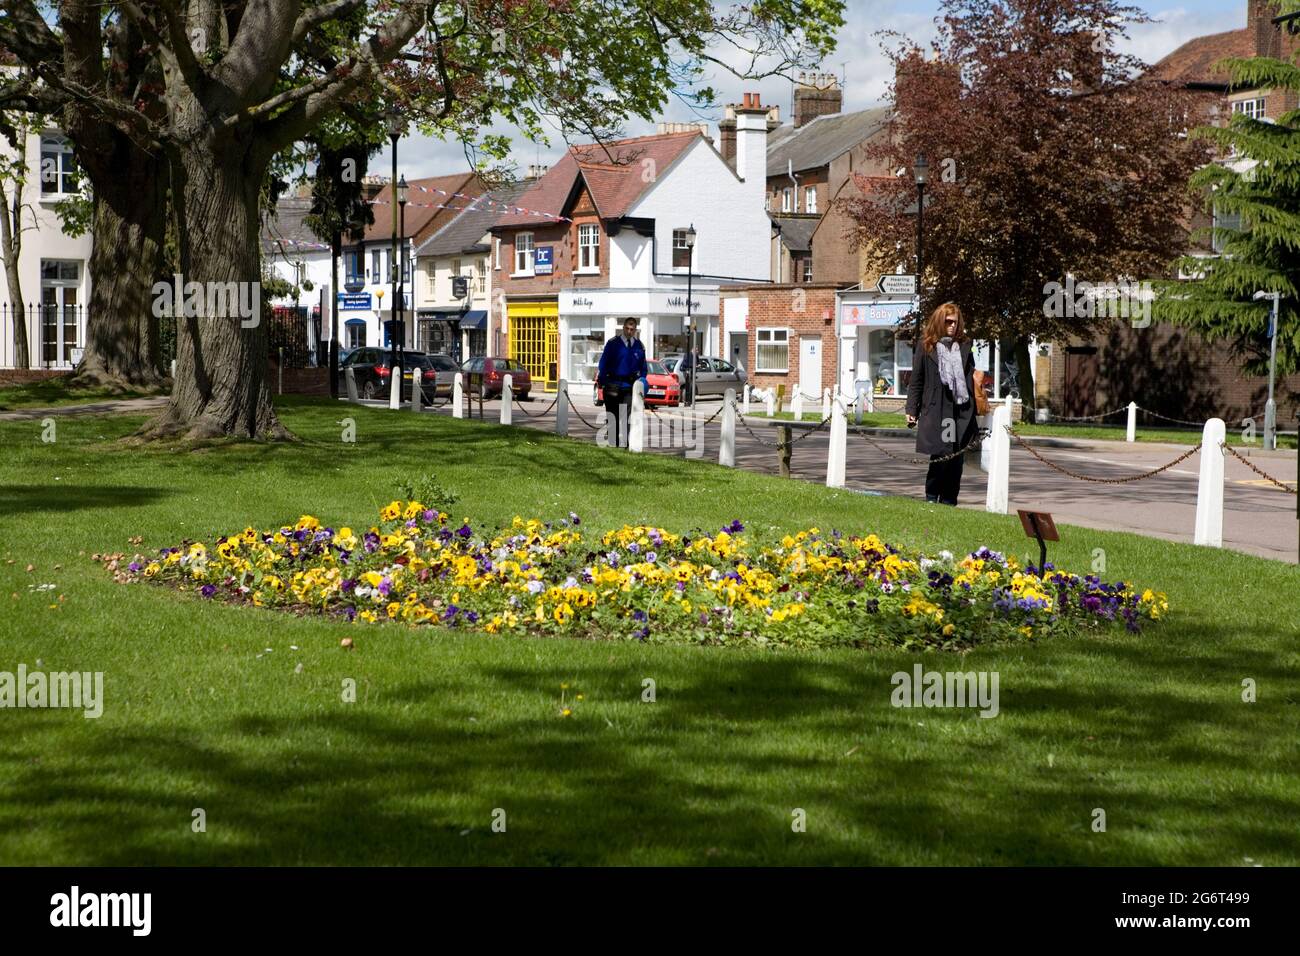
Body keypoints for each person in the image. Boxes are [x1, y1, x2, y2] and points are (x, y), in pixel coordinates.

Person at [905, 302, 981, 505]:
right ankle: (932, 496)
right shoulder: (926, 345)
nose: (952, 326)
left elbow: (969, 376)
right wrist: (911, 409)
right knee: (941, 456)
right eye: (948, 322)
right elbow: (916, 380)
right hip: (937, 408)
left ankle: (949, 500)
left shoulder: (964, 345)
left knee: (956, 458)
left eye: (955, 322)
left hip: (960, 410)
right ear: (940, 321)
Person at [596, 317, 648, 448]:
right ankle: (613, 444)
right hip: (613, 386)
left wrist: (641, 383)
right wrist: (602, 382)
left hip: (629, 388)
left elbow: (643, 369)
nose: (629, 331)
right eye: (627, 328)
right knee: (613, 417)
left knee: (628, 418)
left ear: (635, 330)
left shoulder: (639, 346)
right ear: (623, 328)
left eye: (632, 329)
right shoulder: (613, 344)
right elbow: (603, 365)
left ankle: (626, 444)